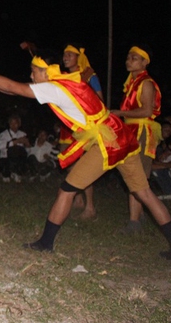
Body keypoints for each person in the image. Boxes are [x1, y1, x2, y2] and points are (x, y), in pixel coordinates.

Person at [0, 52, 171, 259]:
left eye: (33, 72)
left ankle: (45, 243)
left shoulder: (55, 88)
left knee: (66, 190)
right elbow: (16, 91)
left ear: (45, 72)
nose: (31, 76)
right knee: (145, 193)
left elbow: (15, 87)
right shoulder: (64, 82)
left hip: (106, 143)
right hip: (121, 137)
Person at [110, 45, 162, 234]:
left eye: (134, 58)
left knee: (137, 176)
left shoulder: (146, 83)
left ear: (144, 62)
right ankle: (138, 218)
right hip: (131, 129)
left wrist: (120, 112)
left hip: (141, 131)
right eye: (128, 57)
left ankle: (135, 222)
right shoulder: (133, 82)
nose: (128, 61)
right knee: (134, 175)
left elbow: (147, 111)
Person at [61, 44, 104, 220]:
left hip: (84, 126)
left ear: (78, 58)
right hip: (69, 125)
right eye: (64, 54)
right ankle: (78, 200)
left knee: (85, 166)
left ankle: (90, 207)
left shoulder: (89, 76)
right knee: (71, 164)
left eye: (69, 55)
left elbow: (100, 99)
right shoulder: (65, 76)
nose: (65, 57)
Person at [0, 114, 30, 183]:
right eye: (11, 123)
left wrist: (27, 144)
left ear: (19, 124)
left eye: (15, 123)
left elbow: (28, 151)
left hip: (19, 159)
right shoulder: (4, 134)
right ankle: (9, 172)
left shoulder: (23, 134)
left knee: (21, 151)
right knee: (14, 149)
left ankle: (17, 172)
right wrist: (17, 141)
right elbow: (0, 146)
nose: (13, 125)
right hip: (6, 159)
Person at [150, 134, 171, 201]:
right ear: (170, 146)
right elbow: (153, 166)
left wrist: (163, 164)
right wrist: (164, 164)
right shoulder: (168, 157)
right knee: (156, 171)